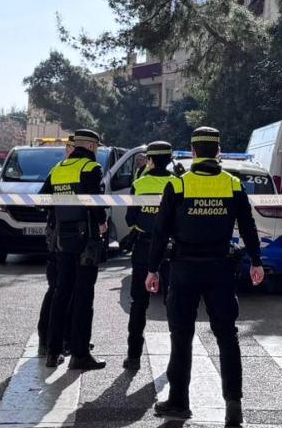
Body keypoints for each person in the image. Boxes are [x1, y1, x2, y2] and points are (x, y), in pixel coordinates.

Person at [146, 127, 263, 428]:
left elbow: (160, 232)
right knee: (227, 336)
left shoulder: (179, 185)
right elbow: (248, 227)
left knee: (181, 335)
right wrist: (256, 262)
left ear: (194, 151)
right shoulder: (233, 184)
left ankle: (179, 402)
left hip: (184, 269)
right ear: (218, 151)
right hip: (221, 268)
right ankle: (233, 404)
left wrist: (152, 268)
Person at [40, 129, 108, 370]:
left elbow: (43, 200)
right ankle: (79, 354)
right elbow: (95, 203)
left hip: (62, 240)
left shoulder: (57, 169)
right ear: (91, 147)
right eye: (97, 148)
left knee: (61, 294)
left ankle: (53, 351)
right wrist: (102, 223)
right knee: (83, 297)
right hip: (86, 241)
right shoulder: (91, 168)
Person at [121, 141, 179, 370]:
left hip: (144, 247)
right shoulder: (177, 183)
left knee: (138, 303)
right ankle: (177, 358)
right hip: (171, 249)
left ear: (150, 160)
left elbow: (129, 220)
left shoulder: (140, 183)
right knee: (174, 304)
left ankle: (133, 356)